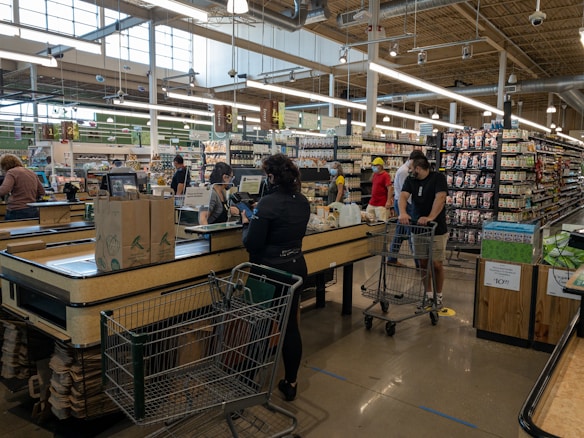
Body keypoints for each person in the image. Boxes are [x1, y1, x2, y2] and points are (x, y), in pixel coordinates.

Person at [241, 153, 310, 402]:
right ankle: (291, 383)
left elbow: (252, 244)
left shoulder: (267, 204)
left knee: (259, 326)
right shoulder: (303, 201)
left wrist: (246, 221)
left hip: (267, 273)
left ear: (271, 176)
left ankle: (248, 380)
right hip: (295, 270)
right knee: (290, 326)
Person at [398, 156, 448, 308]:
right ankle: (428, 294)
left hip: (436, 228)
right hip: (417, 228)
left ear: (418, 168)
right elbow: (403, 196)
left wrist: (430, 217)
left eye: (412, 168)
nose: (410, 170)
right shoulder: (410, 180)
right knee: (423, 263)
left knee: (437, 263)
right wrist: (403, 212)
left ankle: (438, 295)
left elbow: (440, 198)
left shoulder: (438, 178)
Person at [387, 149, 427, 266]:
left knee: (399, 233)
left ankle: (392, 258)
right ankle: (419, 263)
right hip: (405, 205)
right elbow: (406, 192)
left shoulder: (405, 169)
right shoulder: (405, 172)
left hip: (401, 203)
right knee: (411, 233)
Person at [0, 154, 45, 220]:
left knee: (8, 228)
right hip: (32, 210)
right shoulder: (31, 172)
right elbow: (42, 191)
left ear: (4, 165)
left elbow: (4, 190)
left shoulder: (11, 172)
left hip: (16, 210)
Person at [366, 157, 393, 222]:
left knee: (381, 223)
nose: (372, 167)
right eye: (372, 165)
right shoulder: (375, 174)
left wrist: (388, 201)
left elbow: (390, 188)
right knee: (367, 220)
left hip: (382, 204)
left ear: (380, 166)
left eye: (374, 165)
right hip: (372, 202)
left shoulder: (385, 175)